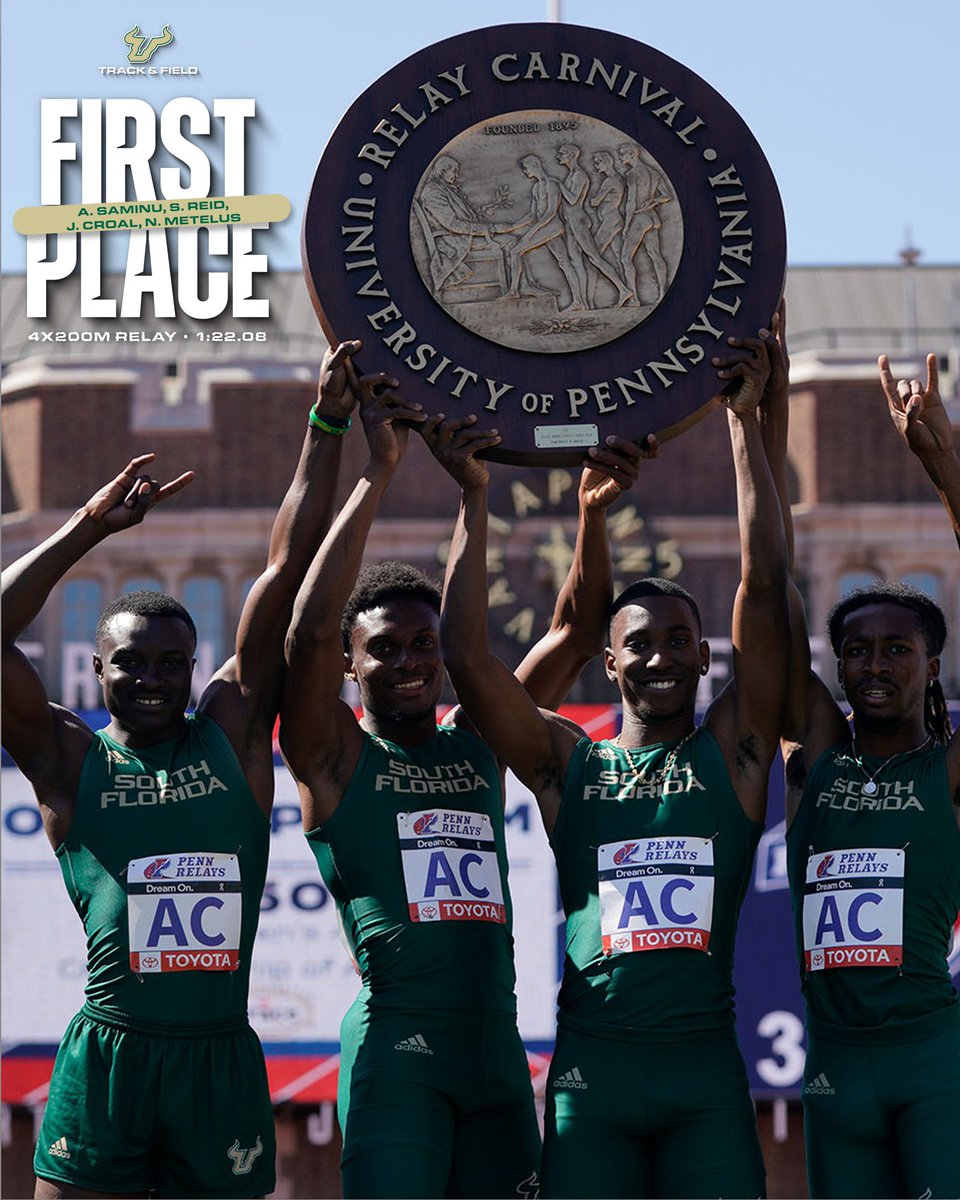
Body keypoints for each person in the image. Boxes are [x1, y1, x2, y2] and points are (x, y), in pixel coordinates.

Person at [1, 341, 375, 1199]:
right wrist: (87, 530)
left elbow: (285, 571)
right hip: (109, 1056)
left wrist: (327, 426)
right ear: (96, 673)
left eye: (172, 662)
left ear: (195, 665)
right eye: (130, 664)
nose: (153, 680)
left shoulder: (233, 736)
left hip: (218, 1062)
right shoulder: (68, 761)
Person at [279, 368, 649, 1198]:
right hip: (398, 1054)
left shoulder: (478, 741)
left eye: (424, 645)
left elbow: (578, 631)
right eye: (385, 649)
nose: (410, 663)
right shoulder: (332, 756)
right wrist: (379, 470)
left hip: (495, 1053)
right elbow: (302, 636)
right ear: (350, 664)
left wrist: (579, 511)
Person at [432, 336, 787, 1198]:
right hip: (592, 1078)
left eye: (680, 641)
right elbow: (469, 662)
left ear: (706, 661)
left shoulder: (736, 752)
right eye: (640, 645)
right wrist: (475, 498)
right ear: (611, 664)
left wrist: (747, 425)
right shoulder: (565, 765)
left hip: (703, 1078)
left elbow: (767, 590)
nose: (661, 657)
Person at [767, 334, 960, 1199]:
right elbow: (766, 591)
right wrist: (761, 417)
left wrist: (947, 470)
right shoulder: (814, 754)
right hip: (835, 1069)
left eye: (896, 650)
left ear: (932, 667)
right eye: (856, 651)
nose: (874, 665)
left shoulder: (946, 772)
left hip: (934, 1066)